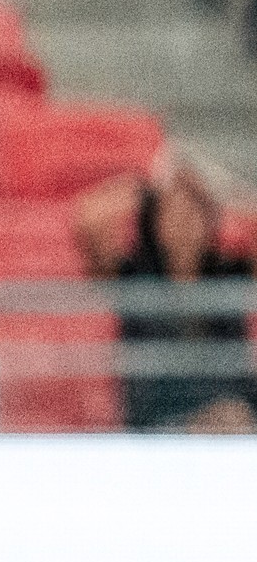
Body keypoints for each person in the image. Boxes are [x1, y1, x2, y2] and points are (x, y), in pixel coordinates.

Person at [74, 152, 257, 433]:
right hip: (160, 423)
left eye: (193, 212)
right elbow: (89, 219)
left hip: (234, 417)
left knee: (232, 418)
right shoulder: (135, 276)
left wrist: (222, 188)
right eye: (172, 212)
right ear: (154, 223)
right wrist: (143, 185)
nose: (183, 222)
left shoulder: (229, 272)